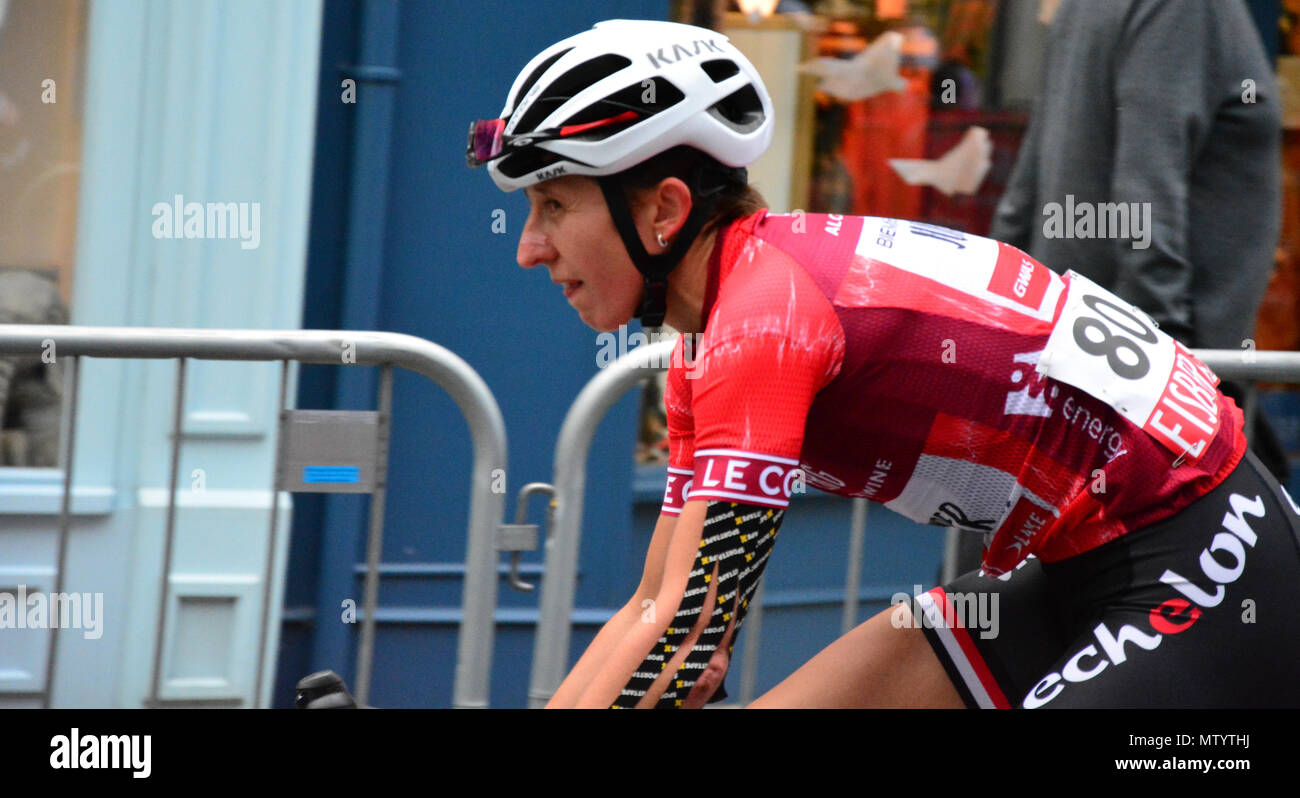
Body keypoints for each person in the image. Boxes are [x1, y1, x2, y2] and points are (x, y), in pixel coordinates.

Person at [467, 19, 1300, 708]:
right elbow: (654, 610)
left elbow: (682, 641)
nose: (530, 249)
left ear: (663, 209)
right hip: (1078, 565)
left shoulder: (766, 322)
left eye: (553, 205)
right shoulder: (713, 332)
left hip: (1210, 561)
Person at [989, 0, 1290, 484]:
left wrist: (1005, 325)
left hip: (1085, 368)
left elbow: (1024, 195)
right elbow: (1146, 193)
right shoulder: (1183, 10)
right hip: (1162, 384)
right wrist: (1161, 381)